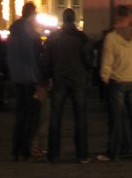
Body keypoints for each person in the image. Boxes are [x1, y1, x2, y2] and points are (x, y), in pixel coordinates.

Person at [97, 6, 132, 162]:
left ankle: (113, 153)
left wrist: (104, 79)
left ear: (118, 20)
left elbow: (107, 62)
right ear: (129, 19)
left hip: (117, 81)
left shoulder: (111, 38)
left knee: (116, 119)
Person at [45, 8, 93, 164]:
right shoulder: (81, 37)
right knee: (80, 117)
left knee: (55, 117)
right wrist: (85, 72)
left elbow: (46, 60)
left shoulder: (53, 37)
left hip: (59, 79)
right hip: (78, 79)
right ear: (74, 19)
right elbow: (88, 60)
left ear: (62, 19)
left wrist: (48, 77)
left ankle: (53, 154)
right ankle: (82, 154)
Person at [5, 2, 44, 161]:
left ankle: (16, 149)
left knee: (20, 114)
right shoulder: (30, 33)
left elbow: (7, 56)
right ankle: (26, 149)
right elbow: (33, 58)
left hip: (17, 77)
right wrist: (38, 80)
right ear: (32, 15)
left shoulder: (13, 32)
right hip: (29, 78)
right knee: (32, 115)